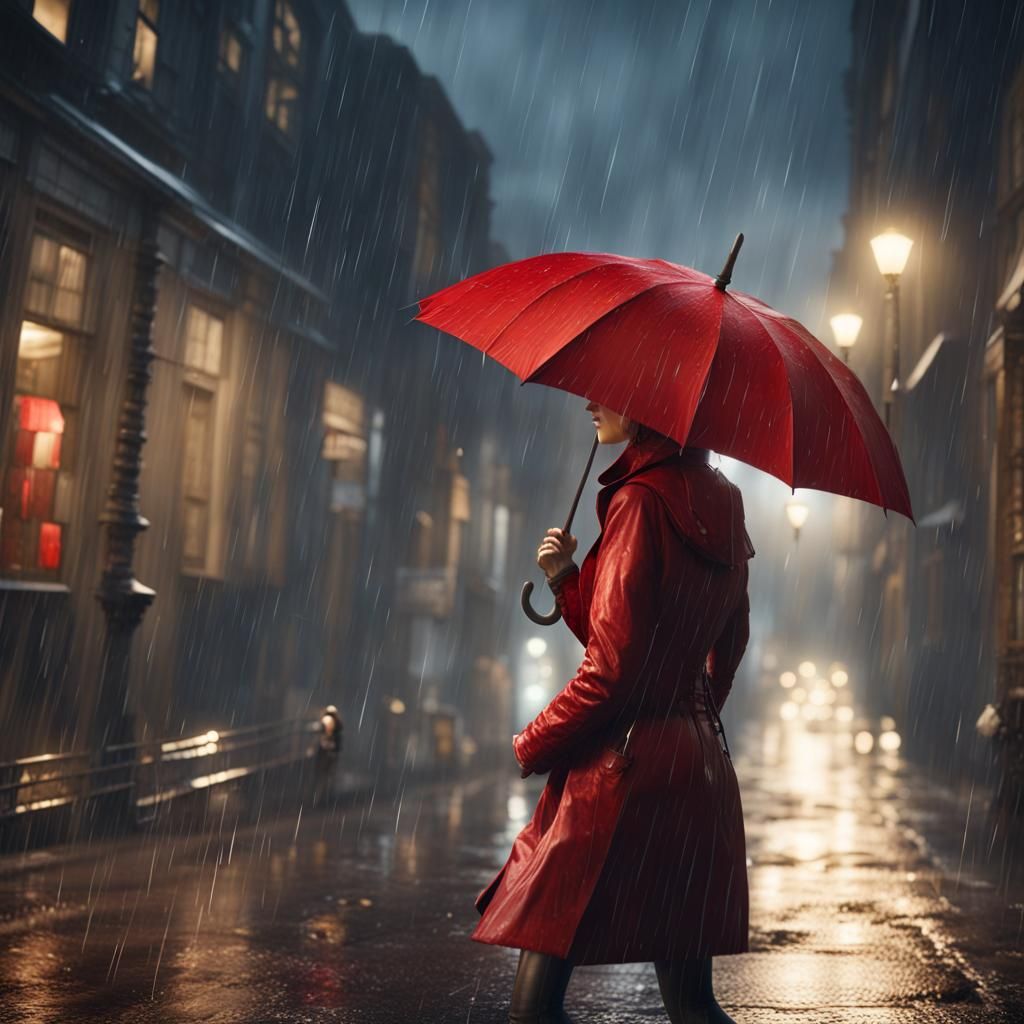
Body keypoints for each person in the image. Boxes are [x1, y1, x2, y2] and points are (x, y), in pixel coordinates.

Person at [472, 399, 754, 1024]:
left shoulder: (638, 501)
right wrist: (568, 579)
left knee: (533, 1005)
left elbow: (611, 670)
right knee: (692, 1004)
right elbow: (723, 645)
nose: (591, 402)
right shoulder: (727, 503)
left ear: (650, 404)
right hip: (699, 766)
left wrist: (532, 743)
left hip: (619, 769)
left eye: (609, 391)